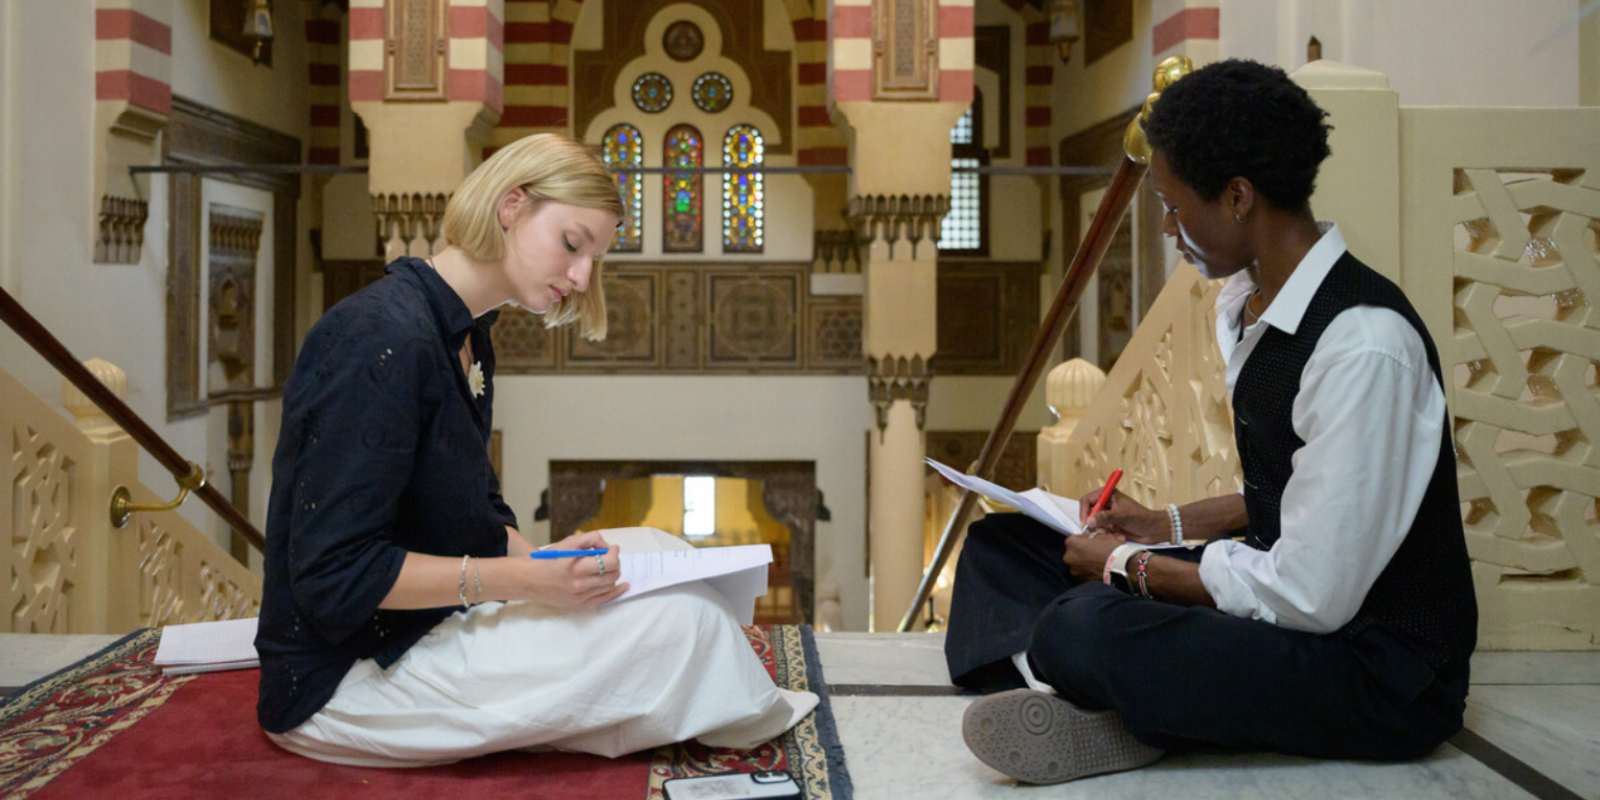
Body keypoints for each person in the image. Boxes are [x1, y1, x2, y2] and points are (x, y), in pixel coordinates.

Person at [943, 59, 1477, 785]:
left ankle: (1108, 693)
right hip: (1295, 612)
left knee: (1084, 623)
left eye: (1172, 204)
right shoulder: (1253, 306)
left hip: (1374, 669)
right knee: (1002, 547)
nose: (1167, 227)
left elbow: (1311, 595)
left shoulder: (1365, 346)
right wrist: (1159, 528)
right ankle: (1115, 707)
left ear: (1236, 197)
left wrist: (1127, 567)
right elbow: (1293, 497)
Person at [254, 133, 817, 766]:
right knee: (683, 626)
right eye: (572, 245)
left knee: (658, 551)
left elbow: (471, 513)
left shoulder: (467, 336)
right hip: (349, 676)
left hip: (425, 624)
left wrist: (546, 558)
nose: (580, 277)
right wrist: (523, 580)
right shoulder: (379, 337)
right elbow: (333, 575)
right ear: (511, 205)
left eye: (594, 259)